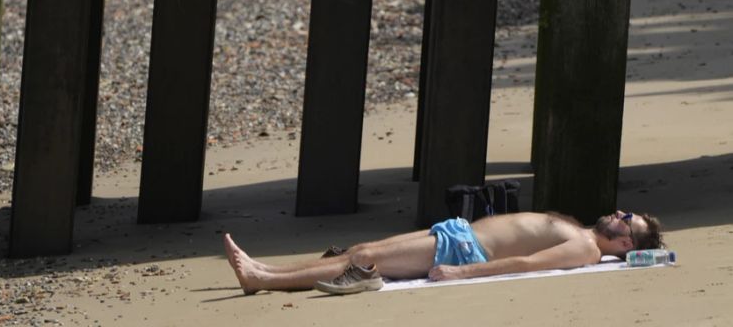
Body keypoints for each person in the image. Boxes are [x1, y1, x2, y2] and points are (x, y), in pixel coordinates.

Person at [224, 210, 664, 295]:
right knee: (361, 250)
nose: (621, 215)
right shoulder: (584, 230)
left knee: (360, 259)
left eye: (628, 223)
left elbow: (527, 264)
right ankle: (267, 269)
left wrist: (464, 272)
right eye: (627, 212)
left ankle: (260, 279)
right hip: (457, 232)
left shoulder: (585, 249)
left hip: (463, 247)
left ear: (625, 245)